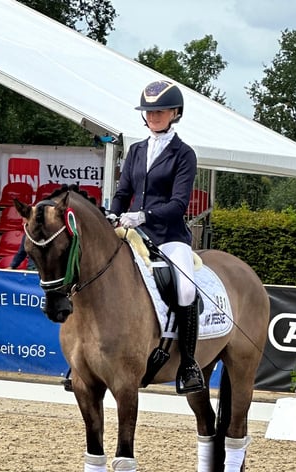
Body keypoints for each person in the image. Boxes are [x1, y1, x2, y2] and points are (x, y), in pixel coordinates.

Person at [110, 79, 205, 394]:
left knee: (186, 289)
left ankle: (189, 365)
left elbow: (178, 204)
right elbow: (123, 192)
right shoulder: (136, 150)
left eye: (160, 111)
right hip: (132, 234)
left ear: (175, 112)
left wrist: (144, 215)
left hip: (168, 236)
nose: (154, 116)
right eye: (149, 111)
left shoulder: (183, 154)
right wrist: (114, 213)